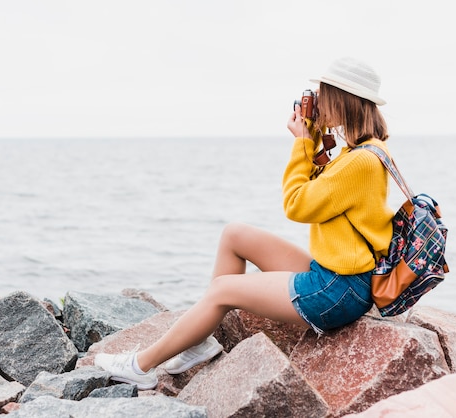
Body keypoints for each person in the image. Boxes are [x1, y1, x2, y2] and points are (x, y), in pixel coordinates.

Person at [94, 57, 395, 390]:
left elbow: (296, 204)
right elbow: (325, 194)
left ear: (341, 99)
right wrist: (314, 140)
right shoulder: (364, 151)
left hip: (339, 290)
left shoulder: (359, 162)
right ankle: (197, 341)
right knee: (235, 234)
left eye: (322, 95)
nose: (317, 103)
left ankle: (142, 366)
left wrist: (302, 143)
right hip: (336, 273)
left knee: (224, 290)